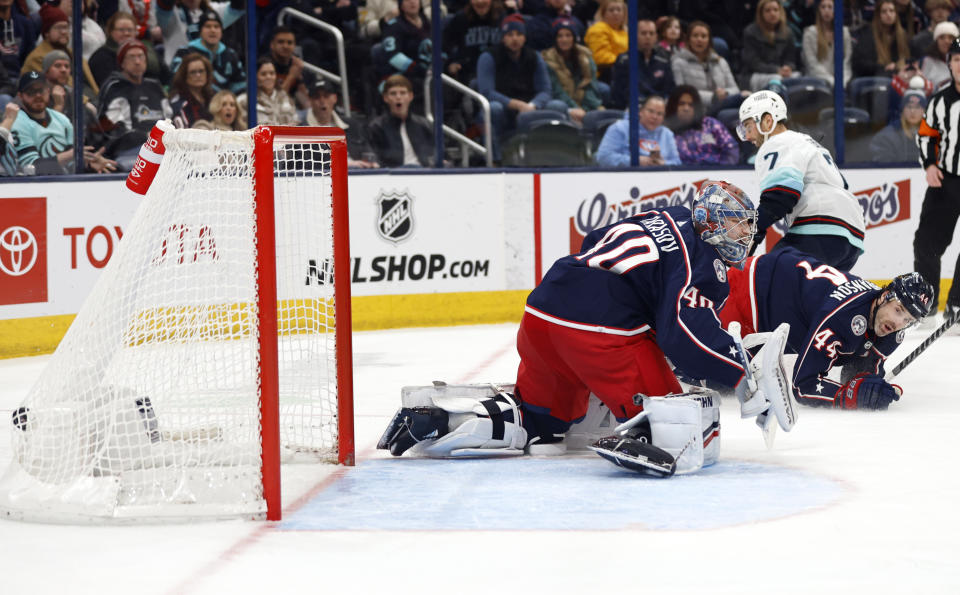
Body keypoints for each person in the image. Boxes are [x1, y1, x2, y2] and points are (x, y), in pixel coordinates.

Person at [377, 181, 796, 475]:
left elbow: (593, 241)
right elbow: (684, 334)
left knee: (540, 421)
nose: (748, 232)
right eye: (740, 223)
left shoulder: (665, 215)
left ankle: (441, 418)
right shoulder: (701, 261)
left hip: (542, 316)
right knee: (685, 425)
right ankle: (645, 431)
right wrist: (743, 372)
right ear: (715, 223)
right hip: (598, 333)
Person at [720, 248, 934, 410]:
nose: (899, 324)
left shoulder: (891, 328)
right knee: (722, 377)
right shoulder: (842, 317)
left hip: (784, 285)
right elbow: (803, 385)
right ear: (885, 296)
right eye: (898, 311)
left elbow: (858, 373)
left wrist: (868, 384)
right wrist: (846, 396)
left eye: (908, 320)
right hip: (749, 286)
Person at [736, 90, 866, 270]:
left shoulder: (777, 143)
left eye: (749, 127)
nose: (748, 137)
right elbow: (843, 185)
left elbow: (781, 195)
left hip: (821, 230)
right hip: (852, 238)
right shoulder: (807, 142)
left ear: (767, 121)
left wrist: (753, 230)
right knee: (815, 295)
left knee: (769, 275)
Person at [476, 14, 569, 161]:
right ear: (503, 37)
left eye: (519, 34)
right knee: (493, 108)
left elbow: (545, 90)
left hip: (530, 108)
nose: (515, 39)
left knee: (558, 106)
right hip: (504, 108)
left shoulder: (534, 56)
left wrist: (532, 105)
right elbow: (487, 92)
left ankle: (561, 157)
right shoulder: (489, 57)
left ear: (524, 37)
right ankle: (495, 160)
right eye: (510, 34)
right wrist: (516, 105)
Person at [915, 36, 960, 323]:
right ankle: (926, 301)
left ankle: (957, 303)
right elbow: (925, 135)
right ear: (950, 64)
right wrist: (930, 164)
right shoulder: (939, 101)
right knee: (926, 243)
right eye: (957, 59)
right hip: (946, 180)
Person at [12, 70, 115, 175]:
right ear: (20, 96)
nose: (38, 95)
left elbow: (70, 165)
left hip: (64, 183)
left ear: (48, 91)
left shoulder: (62, 120)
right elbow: (30, 168)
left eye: (41, 90)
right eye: (31, 92)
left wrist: (88, 164)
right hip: (31, 186)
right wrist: (72, 154)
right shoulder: (17, 122)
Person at [96, 39, 173, 162]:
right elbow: (112, 132)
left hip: (162, 149)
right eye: (131, 57)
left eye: (141, 56)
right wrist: (145, 137)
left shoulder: (155, 86)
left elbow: (169, 119)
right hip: (128, 151)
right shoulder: (114, 87)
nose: (137, 62)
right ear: (122, 63)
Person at [21, 5, 98, 95]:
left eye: (65, 27)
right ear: (46, 33)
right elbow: (59, 88)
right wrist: (86, 103)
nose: (64, 32)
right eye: (58, 28)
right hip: (69, 102)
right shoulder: (38, 58)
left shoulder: (73, 53)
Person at [671, 20, 745, 114]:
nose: (699, 40)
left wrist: (725, 93)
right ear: (688, 39)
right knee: (733, 108)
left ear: (709, 40)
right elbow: (681, 93)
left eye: (704, 36)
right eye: (695, 36)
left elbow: (735, 89)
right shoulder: (679, 62)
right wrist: (713, 96)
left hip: (724, 105)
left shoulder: (720, 62)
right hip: (697, 109)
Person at [541, 17, 604, 125]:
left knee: (602, 94)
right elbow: (557, 91)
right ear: (555, 39)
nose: (564, 39)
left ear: (574, 38)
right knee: (556, 105)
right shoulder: (547, 60)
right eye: (560, 36)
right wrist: (575, 108)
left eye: (568, 35)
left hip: (580, 98)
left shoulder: (586, 58)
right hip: (561, 101)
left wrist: (597, 107)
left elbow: (589, 86)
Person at [305, 78, 378, 168]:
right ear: (310, 101)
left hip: (359, 175)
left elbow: (367, 150)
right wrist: (343, 165)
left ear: (335, 98)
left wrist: (373, 162)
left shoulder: (352, 124)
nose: (322, 101)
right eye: (317, 97)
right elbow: (305, 165)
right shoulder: (301, 130)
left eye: (326, 96)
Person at [169, 10, 244, 96]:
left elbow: (240, 86)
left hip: (222, 104)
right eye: (208, 26)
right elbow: (176, 81)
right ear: (200, 31)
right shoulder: (185, 52)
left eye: (216, 27)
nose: (213, 30)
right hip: (191, 100)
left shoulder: (231, 55)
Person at [367, 73, 434, 167]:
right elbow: (376, 159)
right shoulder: (376, 127)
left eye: (403, 93)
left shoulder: (424, 125)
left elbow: (440, 155)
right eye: (393, 93)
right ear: (385, 98)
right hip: (392, 177)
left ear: (410, 96)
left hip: (425, 174)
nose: (398, 97)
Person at [595, 94, 680, 167]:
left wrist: (663, 164)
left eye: (659, 114)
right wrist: (634, 161)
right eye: (651, 111)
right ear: (641, 111)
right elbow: (603, 157)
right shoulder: (619, 128)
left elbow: (677, 163)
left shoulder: (667, 134)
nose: (655, 117)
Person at [88, 11, 167, 88]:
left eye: (130, 30)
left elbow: (166, 75)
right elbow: (110, 86)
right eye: (121, 30)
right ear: (110, 32)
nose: (126, 33)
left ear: (136, 32)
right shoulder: (101, 57)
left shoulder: (148, 49)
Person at [609, 18, 674, 109]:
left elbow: (669, 90)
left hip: (658, 108)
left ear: (656, 37)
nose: (648, 37)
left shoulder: (664, 59)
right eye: (643, 33)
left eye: (651, 33)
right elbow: (619, 93)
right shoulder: (624, 60)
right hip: (632, 109)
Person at [665, 85, 739, 165]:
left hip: (717, 172)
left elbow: (731, 149)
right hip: (683, 175)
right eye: (681, 104)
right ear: (673, 106)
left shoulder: (710, 124)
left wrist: (722, 170)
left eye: (691, 105)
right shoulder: (666, 133)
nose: (686, 108)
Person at [155, 0, 244, 65]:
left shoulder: (214, 11)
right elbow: (164, 4)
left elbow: (239, 6)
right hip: (178, 70)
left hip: (211, 74)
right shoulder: (171, 13)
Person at [442, 0, 504, 86]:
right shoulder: (461, 19)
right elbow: (444, 46)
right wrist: (449, 65)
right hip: (468, 76)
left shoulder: (503, 18)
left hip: (499, 75)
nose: (480, 2)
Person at [740, 0, 799, 91]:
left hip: (780, 72)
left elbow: (790, 58)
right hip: (755, 74)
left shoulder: (787, 32)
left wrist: (788, 67)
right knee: (776, 80)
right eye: (768, 10)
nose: (772, 13)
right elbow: (754, 63)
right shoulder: (750, 32)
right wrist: (776, 70)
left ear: (780, 12)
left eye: (775, 10)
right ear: (761, 13)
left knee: (798, 77)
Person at [802, 0, 853, 88]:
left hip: (842, 83)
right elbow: (812, 64)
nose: (827, 10)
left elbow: (846, 62)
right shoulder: (810, 33)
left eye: (830, 7)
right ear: (818, 10)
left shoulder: (844, 32)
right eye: (823, 7)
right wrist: (832, 81)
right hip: (816, 82)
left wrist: (842, 81)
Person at [852, 0, 910, 78]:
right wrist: (884, 67)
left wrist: (897, 66)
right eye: (884, 12)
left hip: (898, 77)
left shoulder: (903, 36)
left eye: (891, 11)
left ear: (896, 14)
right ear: (878, 15)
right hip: (872, 78)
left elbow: (908, 60)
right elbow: (860, 64)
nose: (888, 14)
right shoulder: (868, 35)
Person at [237, 57, 298, 126]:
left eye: (272, 73)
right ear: (255, 77)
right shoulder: (244, 100)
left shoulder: (285, 97)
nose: (268, 77)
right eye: (263, 74)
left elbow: (295, 122)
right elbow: (241, 127)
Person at [870, 88, 926, 161]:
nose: (912, 111)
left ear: (924, 111)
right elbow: (883, 166)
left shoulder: (934, 135)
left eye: (917, 107)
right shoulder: (886, 137)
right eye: (909, 107)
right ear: (902, 109)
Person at [266, 26, 311, 109]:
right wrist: (291, 77)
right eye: (281, 42)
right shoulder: (265, 66)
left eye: (289, 43)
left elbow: (306, 103)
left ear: (294, 46)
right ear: (272, 45)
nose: (285, 46)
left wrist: (300, 79)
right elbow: (274, 102)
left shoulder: (296, 65)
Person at [583, 0, 627, 79]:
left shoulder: (625, 32)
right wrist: (626, 62)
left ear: (624, 14)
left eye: (619, 10)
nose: (615, 13)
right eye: (611, 10)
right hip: (605, 74)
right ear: (603, 14)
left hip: (623, 70)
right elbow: (601, 57)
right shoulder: (598, 29)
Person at [169, 53, 214, 129]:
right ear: (184, 75)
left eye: (201, 71)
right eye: (193, 72)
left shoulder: (212, 97)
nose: (198, 75)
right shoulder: (179, 103)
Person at [919, 20, 958, 90]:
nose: (946, 41)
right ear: (936, 41)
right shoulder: (926, 61)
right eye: (942, 37)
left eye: (951, 37)